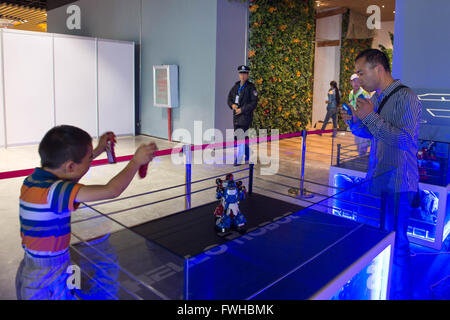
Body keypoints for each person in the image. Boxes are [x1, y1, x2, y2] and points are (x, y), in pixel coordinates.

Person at [16, 125, 157, 300]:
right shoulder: (56, 191)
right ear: (70, 166)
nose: (91, 160)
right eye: (89, 158)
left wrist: (98, 149)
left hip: (32, 266)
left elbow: (71, 174)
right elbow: (111, 190)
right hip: (48, 277)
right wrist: (136, 161)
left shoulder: (34, 181)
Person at [341, 49, 422, 300]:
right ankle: (385, 291)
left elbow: (405, 140)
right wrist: (356, 121)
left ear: (378, 69)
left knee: (397, 246)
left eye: (361, 72)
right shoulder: (378, 98)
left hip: (398, 183)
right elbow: (373, 132)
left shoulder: (405, 97)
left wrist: (369, 117)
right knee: (383, 243)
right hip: (380, 180)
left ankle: (400, 295)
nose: (359, 79)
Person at [227, 65, 258, 166]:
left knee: (240, 136)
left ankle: (239, 158)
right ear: (238, 74)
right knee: (239, 137)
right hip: (236, 116)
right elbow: (229, 99)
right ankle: (248, 153)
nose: (243, 76)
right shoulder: (236, 86)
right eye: (241, 73)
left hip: (245, 116)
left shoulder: (251, 87)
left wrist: (242, 109)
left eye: (245, 74)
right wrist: (232, 105)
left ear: (248, 75)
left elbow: (253, 103)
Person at [348, 73, 371, 156]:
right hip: (356, 122)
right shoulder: (351, 93)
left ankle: (363, 158)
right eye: (354, 81)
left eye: (358, 81)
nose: (356, 83)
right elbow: (351, 106)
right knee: (358, 142)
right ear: (351, 83)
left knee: (363, 143)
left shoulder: (364, 94)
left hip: (364, 122)